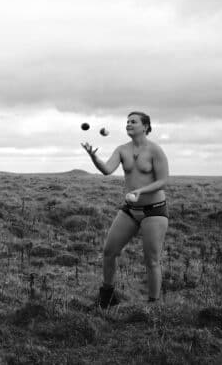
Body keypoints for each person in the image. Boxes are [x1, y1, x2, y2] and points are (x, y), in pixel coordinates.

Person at [81, 111, 170, 308]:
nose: (128, 124)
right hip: (130, 209)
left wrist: (141, 191)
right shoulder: (122, 149)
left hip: (154, 210)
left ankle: (153, 306)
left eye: (133, 121)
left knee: (151, 260)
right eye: (127, 121)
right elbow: (106, 170)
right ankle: (107, 297)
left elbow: (163, 181)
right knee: (109, 251)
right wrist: (93, 157)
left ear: (145, 127)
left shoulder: (155, 150)